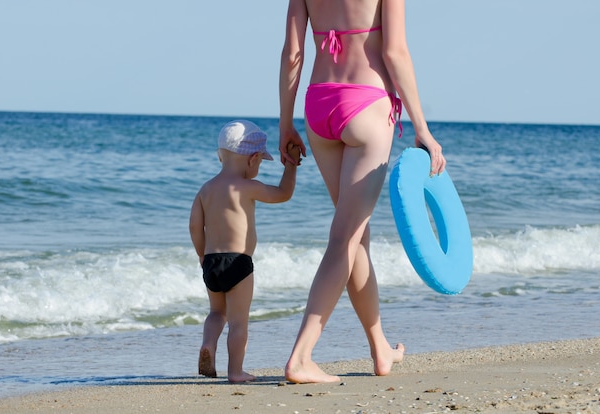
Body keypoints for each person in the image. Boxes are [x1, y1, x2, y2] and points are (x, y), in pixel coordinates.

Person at [278, 0, 447, 383]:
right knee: (345, 238)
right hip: (367, 104)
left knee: (355, 236)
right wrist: (422, 127)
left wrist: (285, 122)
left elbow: (293, 54)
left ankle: (380, 349)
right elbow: (394, 51)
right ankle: (301, 357)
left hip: (319, 107)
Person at [189, 120, 301, 383]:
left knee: (217, 312)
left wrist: (201, 254)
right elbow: (283, 193)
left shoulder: (206, 189)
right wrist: (292, 166)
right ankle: (236, 371)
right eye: (261, 162)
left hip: (211, 262)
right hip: (239, 262)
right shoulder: (247, 186)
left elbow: (195, 225)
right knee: (239, 322)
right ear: (253, 159)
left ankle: (208, 344)